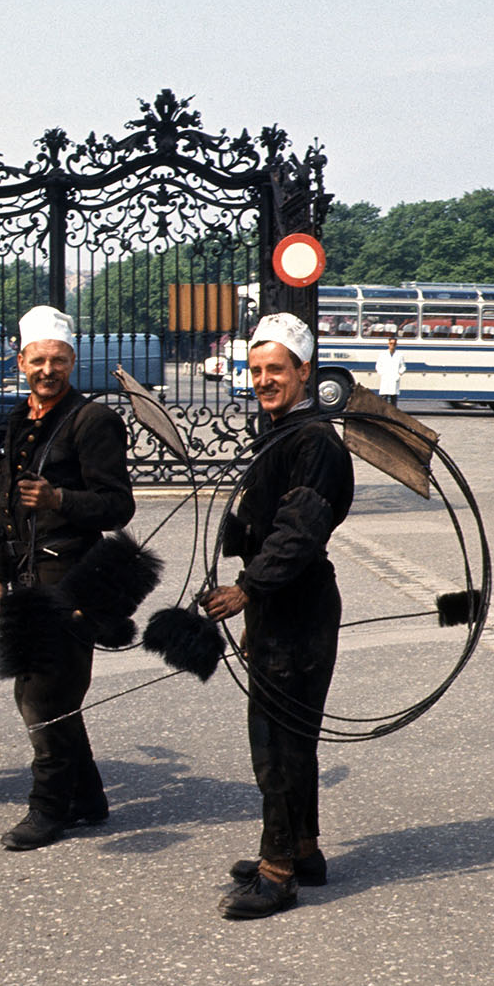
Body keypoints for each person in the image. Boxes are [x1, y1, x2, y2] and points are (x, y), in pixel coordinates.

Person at [200, 312, 354, 920]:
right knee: (291, 737)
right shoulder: (280, 432)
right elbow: (269, 524)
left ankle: (278, 870)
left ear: (303, 372)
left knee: (278, 743)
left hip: (297, 609)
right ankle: (306, 850)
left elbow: (298, 532)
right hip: (282, 605)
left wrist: (245, 589)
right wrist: (239, 532)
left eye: (276, 370)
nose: (264, 379)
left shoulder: (313, 441)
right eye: (257, 369)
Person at [0, 305, 135, 850]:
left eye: (59, 360)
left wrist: (59, 498)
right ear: (21, 360)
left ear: (73, 360)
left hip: (71, 578)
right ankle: (89, 795)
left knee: (44, 697)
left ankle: (49, 808)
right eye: (38, 360)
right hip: (24, 576)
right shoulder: (20, 419)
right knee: (45, 691)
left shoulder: (93, 420)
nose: (48, 369)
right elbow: (4, 504)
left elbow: (119, 506)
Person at [374, 334, 407, 406]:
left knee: (393, 399)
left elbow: (403, 367)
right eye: (391, 343)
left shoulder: (399, 355)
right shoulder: (383, 354)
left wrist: (399, 374)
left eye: (394, 344)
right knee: (383, 399)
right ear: (388, 344)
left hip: (395, 378)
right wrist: (382, 374)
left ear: (396, 345)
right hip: (385, 378)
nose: (392, 345)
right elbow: (378, 366)